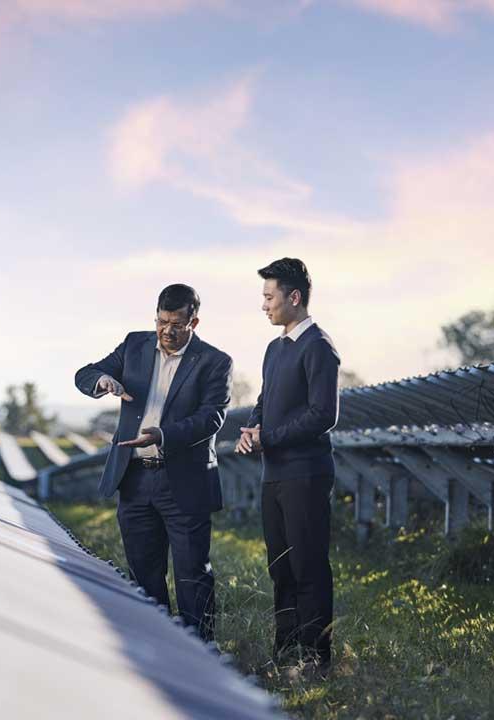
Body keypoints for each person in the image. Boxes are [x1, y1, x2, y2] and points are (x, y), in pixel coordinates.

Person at [75, 284, 232, 640]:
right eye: (162, 321)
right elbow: (84, 374)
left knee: (192, 573)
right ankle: (157, 648)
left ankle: (200, 653)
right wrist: (103, 380)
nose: (167, 331)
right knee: (144, 574)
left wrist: (163, 435)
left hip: (184, 481)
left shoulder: (215, 361)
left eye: (177, 324)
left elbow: (212, 417)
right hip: (134, 479)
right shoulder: (134, 345)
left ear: (194, 322)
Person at [236, 257, 340, 672]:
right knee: (280, 567)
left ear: (293, 297)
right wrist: (251, 428)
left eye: (269, 296)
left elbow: (323, 415)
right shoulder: (274, 348)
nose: (264, 305)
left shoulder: (319, 347)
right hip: (274, 474)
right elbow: (265, 402)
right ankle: (286, 650)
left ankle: (317, 657)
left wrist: (270, 438)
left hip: (306, 473)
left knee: (308, 566)